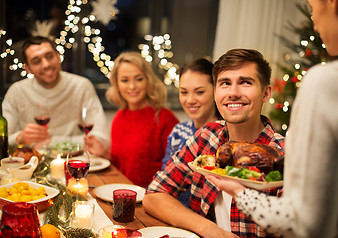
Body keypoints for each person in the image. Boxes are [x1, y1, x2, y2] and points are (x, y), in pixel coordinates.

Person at [207, 0, 338, 238]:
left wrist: (240, 192)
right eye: (224, 83)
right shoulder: (208, 136)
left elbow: (309, 226)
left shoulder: (330, 83)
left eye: (311, 5)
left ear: (334, 2)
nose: (312, 19)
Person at [143, 48, 285, 238]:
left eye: (245, 82)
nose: (233, 93)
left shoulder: (283, 154)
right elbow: (154, 195)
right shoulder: (206, 137)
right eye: (225, 83)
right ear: (216, 92)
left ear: (266, 93)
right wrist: (209, 230)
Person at [84, 51, 179, 188]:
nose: (132, 86)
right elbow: (125, 165)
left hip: (150, 198)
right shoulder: (119, 118)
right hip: (120, 192)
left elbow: (174, 172)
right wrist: (104, 154)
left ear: (148, 81)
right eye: (125, 80)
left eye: (139, 79)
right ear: (117, 84)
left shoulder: (165, 119)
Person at [2, 36, 109, 147]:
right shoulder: (17, 91)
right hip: (31, 162)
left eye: (50, 56)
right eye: (36, 61)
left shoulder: (81, 86)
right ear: (28, 69)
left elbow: (101, 138)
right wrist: (19, 138)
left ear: (59, 57)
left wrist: (52, 141)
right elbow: (2, 138)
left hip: (72, 161)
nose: (46, 65)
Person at [161, 58, 222, 207]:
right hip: (174, 214)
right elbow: (164, 180)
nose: (190, 100)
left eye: (199, 92)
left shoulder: (226, 135)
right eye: (184, 92)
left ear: (215, 91)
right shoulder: (178, 132)